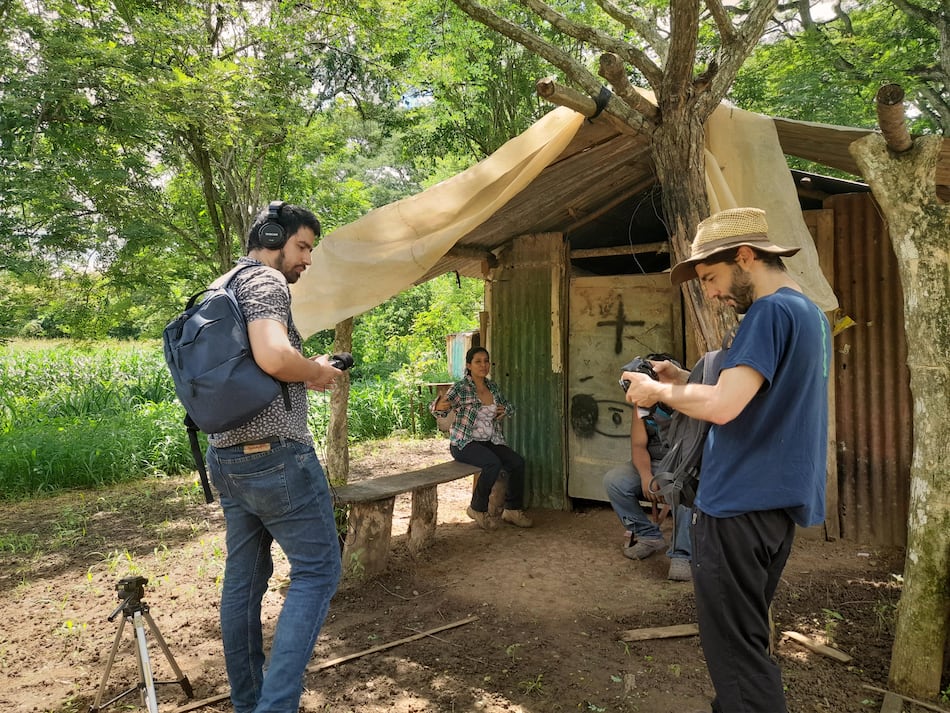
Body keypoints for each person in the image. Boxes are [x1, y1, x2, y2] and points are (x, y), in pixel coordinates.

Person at [623, 207, 830, 713]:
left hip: (737, 506)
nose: (711, 292)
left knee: (736, 658)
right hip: (775, 509)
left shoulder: (768, 312)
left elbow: (723, 405)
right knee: (748, 639)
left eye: (711, 277)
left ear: (745, 257)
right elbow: (757, 400)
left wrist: (655, 392)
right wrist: (682, 380)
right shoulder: (810, 316)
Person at [205, 202, 344, 713]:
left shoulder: (221, 286)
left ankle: (249, 702)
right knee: (318, 571)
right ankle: (276, 706)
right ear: (272, 236)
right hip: (278, 460)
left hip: (227, 458)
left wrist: (304, 366)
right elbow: (273, 356)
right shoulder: (264, 281)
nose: (306, 259)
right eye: (303, 246)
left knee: (244, 581)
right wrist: (316, 371)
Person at [429, 346, 533, 530]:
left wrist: (505, 410)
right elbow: (438, 407)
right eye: (478, 361)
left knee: (517, 462)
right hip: (464, 442)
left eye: (486, 361)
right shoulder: (461, 388)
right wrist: (439, 406)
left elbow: (508, 406)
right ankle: (477, 508)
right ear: (469, 365)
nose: (483, 365)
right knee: (491, 463)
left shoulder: (492, 387)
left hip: (489, 440)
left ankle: (512, 510)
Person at [603, 393, 693, 582]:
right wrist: (646, 477)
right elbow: (638, 446)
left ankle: (682, 554)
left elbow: (692, 449)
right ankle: (649, 536)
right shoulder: (643, 403)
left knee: (684, 489)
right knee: (615, 481)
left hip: (682, 465)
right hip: (652, 462)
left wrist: (667, 478)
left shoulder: (689, 399)